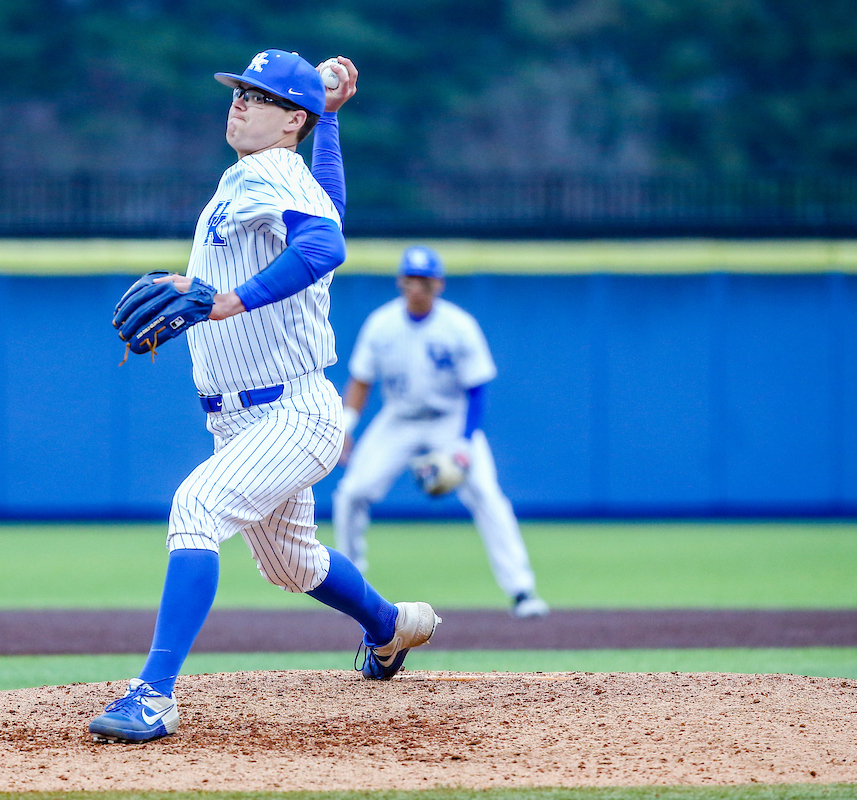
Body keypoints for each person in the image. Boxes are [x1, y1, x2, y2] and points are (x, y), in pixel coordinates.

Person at [88, 51, 440, 744]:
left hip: (292, 410)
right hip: (245, 418)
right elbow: (329, 210)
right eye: (239, 91)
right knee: (292, 564)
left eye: (260, 95)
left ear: (290, 121)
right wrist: (331, 125)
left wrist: (226, 301)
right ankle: (392, 627)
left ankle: (153, 695)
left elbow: (325, 244)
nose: (240, 102)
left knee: (195, 507)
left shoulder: (269, 170)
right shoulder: (260, 174)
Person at [331, 245, 550, 619]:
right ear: (401, 281)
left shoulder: (458, 325)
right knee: (351, 493)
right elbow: (361, 380)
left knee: (486, 495)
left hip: (451, 420)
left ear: (439, 284)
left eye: (426, 281)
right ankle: (351, 588)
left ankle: (521, 590)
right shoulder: (381, 324)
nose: (418, 287)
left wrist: (465, 444)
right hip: (398, 419)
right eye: (411, 279)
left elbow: (477, 389)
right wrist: (346, 426)